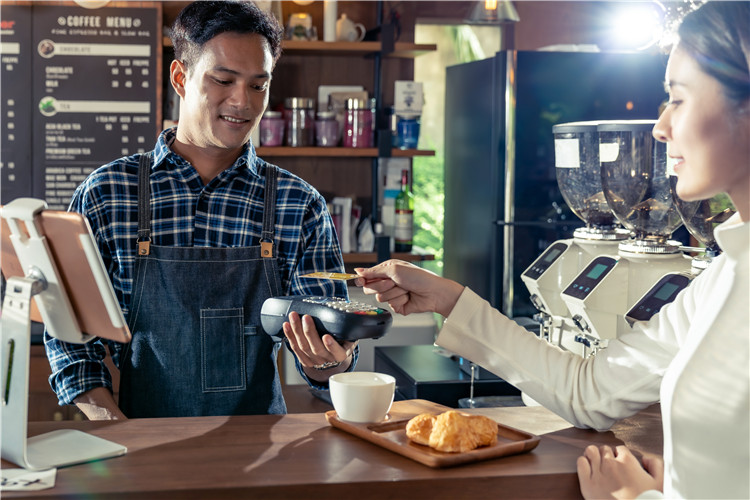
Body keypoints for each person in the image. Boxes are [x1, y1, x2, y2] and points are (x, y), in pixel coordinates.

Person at [351, 2, 749, 498]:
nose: (660, 127)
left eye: (678, 99)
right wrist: (449, 301)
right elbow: (590, 392)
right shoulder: (722, 277)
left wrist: (633, 497)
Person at [45, 0, 358, 420]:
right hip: (135, 443)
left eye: (258, 85)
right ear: (180, 77)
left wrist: (329, 361)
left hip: (258, 449)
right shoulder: (106, 194)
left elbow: (328, 356)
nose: (242, 102)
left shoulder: (298, 204)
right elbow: (67, 332)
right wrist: (111, 425)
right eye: (224, 79)